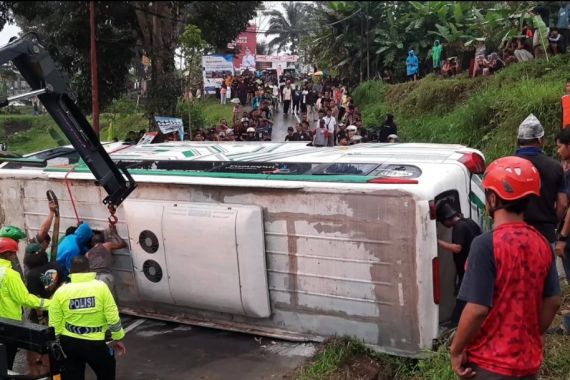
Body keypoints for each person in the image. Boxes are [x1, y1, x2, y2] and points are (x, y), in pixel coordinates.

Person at [450, 156, 561, 379]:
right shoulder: (541, 243)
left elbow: (477, 309)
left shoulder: (485, 244)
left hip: (488, 364)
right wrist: (530, 334)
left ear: (492, 199)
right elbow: (553, 301)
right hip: (528, 364)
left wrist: (456, 349)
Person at [49, 256, 126, 380]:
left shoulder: (61, 292)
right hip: (96, 343)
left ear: (70, 271)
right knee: (107, 372)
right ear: (89, 269)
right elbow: (112, 315)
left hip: (70, 342)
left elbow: (55, 322)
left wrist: (57, 343)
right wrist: (118, 337)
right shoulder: (101, 287)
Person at [515, 114, 567, 246]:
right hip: (545, 234)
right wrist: (551, 221)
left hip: (515, 235)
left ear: (519, 140)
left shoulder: (508, 165)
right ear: (540, 140)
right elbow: (562, 204)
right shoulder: (555, 167)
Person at [0, 237, 50, 369]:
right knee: (7, 360)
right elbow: (24, 299)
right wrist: (49, 303)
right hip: (8, 323)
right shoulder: (10, 275)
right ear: (10, 254)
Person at [436, 202, 482, 327]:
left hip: (469, 269)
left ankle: (454, 325)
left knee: (462, 298)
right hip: (476, 266)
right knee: (466, 297)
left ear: (447, 220)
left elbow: (457, 248)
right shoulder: (469, 222)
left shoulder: (459, 227)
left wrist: (438, 242)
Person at [23, 243, 64, 375]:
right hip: (58, 308)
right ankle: (52, 366)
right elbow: (63, 284)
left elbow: (36, 300)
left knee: (36, 341)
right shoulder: (56, 266)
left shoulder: (32, 274)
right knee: (55, 338)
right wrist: (54, 298)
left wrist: (41, 318)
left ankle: (40, 369)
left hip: (42, 312)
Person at [86, 223, 127, 294]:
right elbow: (123, 244)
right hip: (105, 277)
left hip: (93, 279)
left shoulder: (87, 254)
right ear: (103, 241)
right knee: (111, 299)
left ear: (92, 243)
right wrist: (115, 233)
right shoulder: (107, 245)